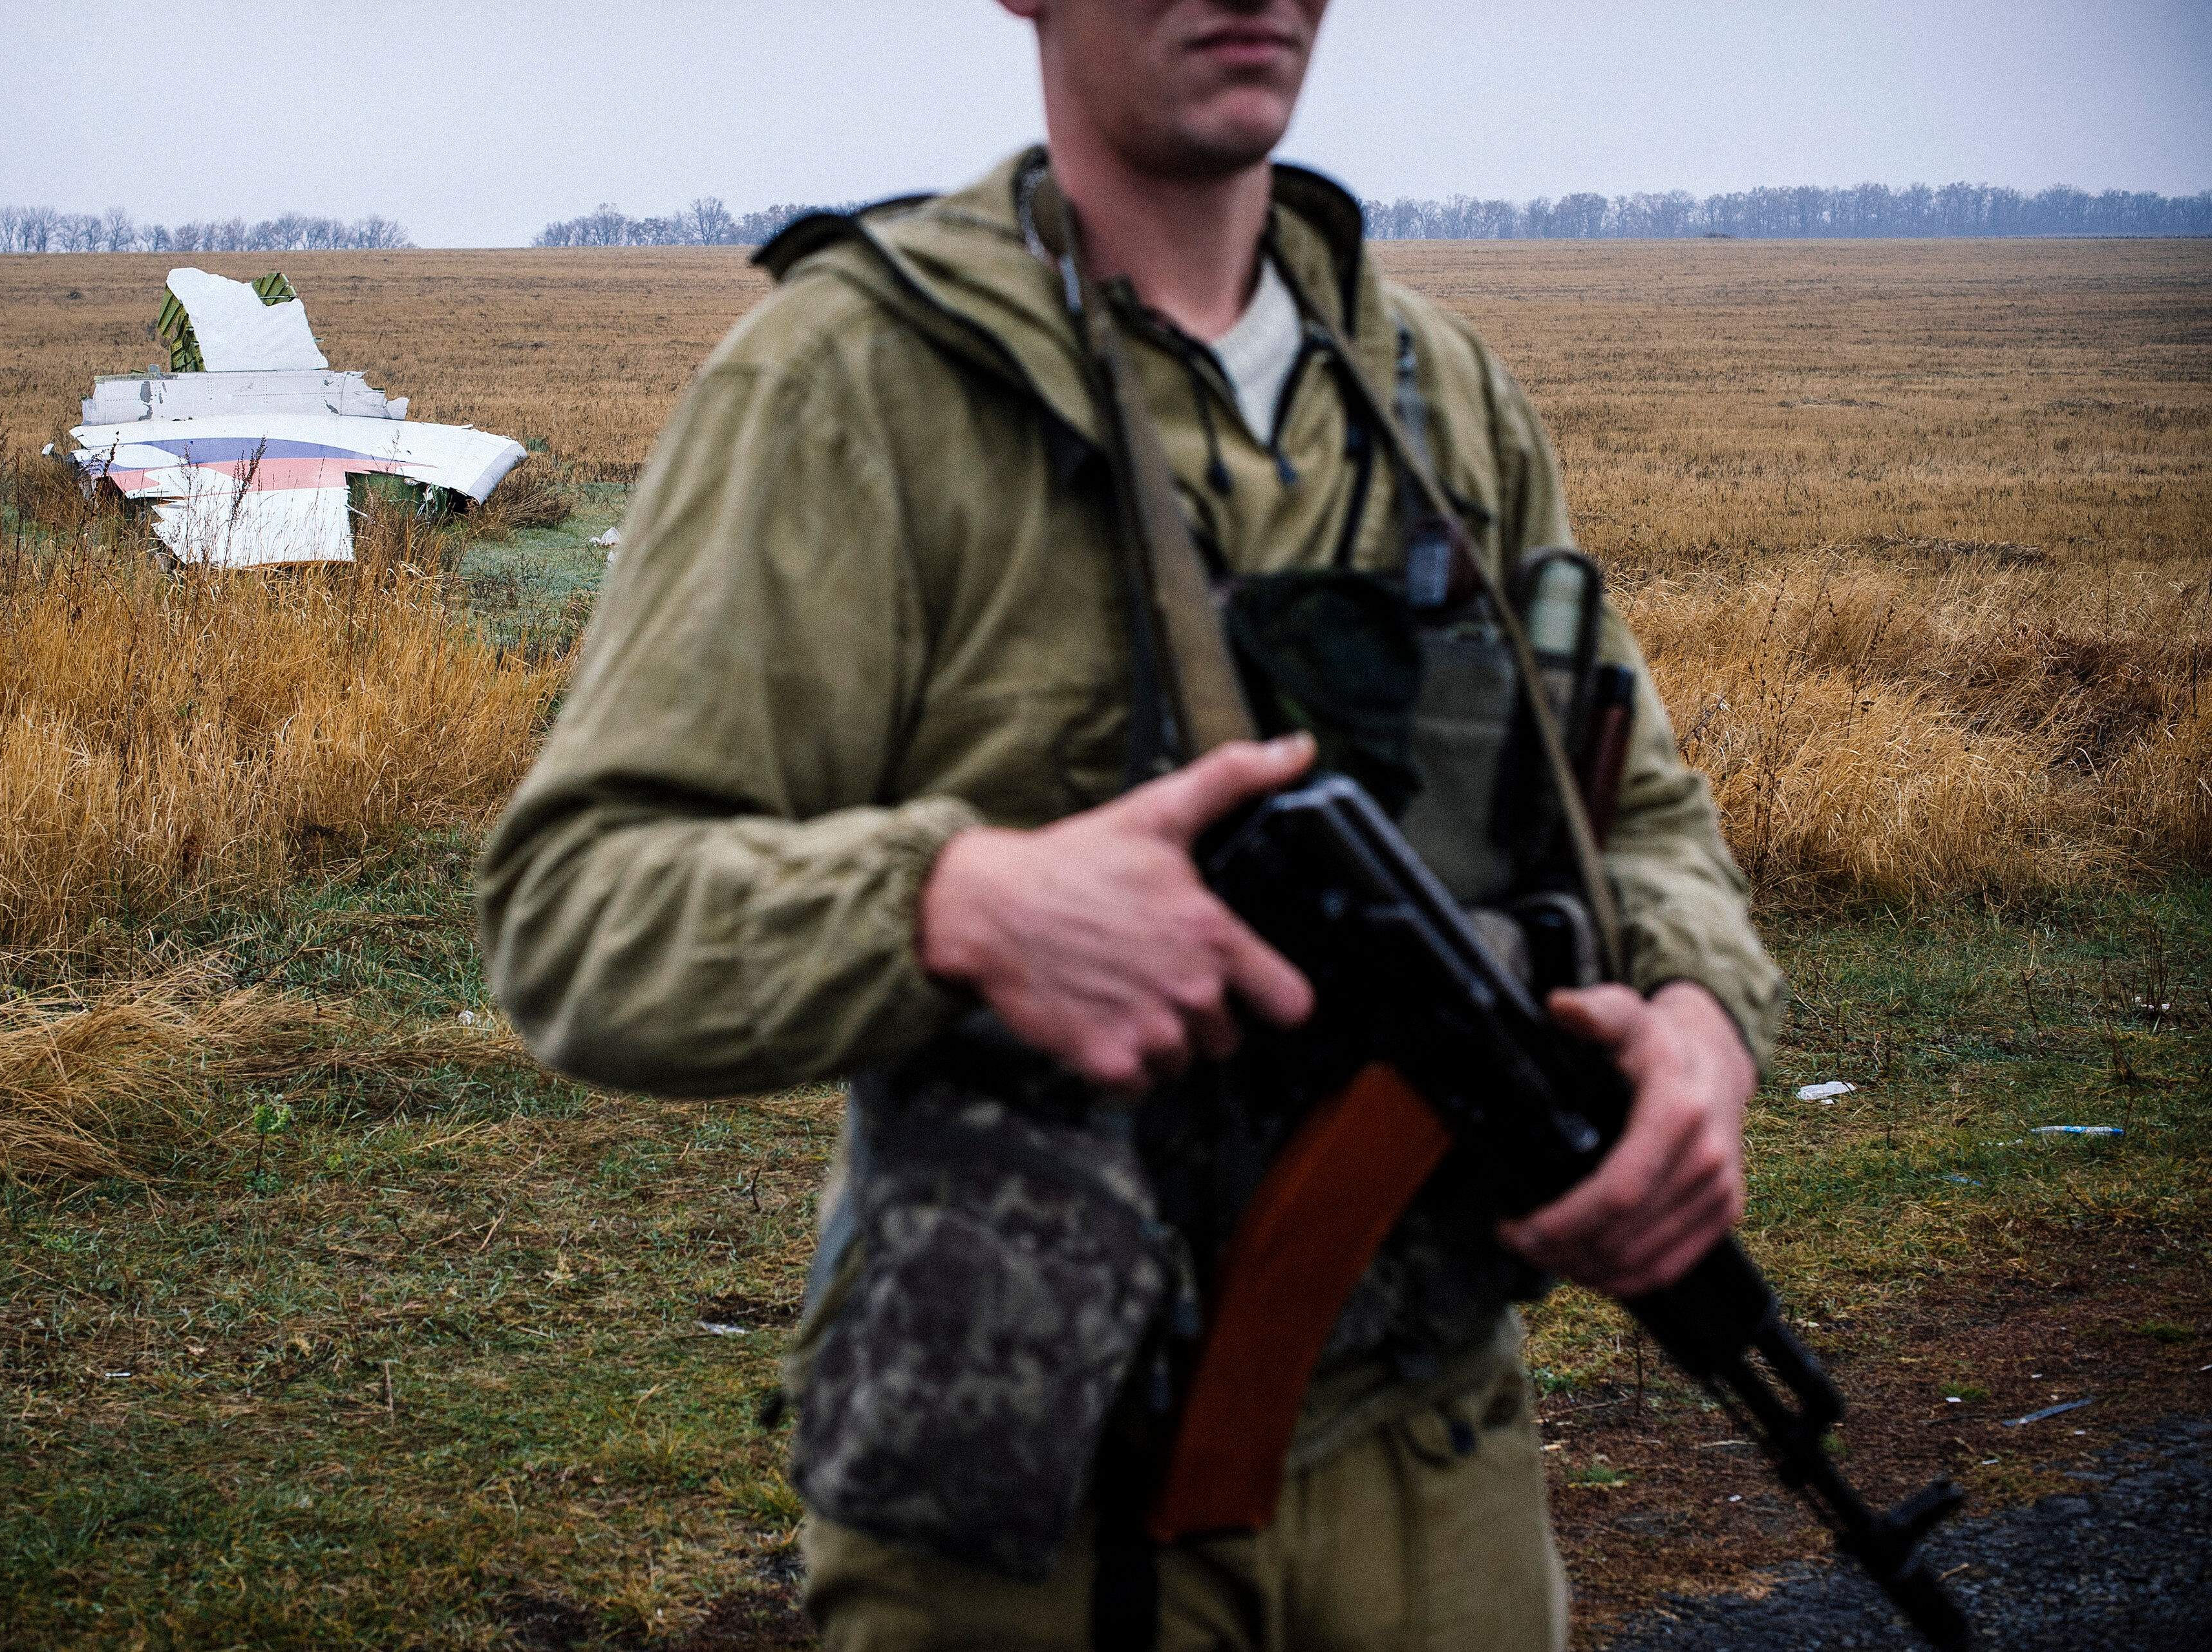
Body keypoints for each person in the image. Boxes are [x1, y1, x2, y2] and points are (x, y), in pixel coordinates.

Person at [478, 2, 1784, 1646]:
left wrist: (1699, 1022)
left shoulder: (1441, 396)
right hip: (1031, 1502)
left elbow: (1639, 814)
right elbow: (576, 909)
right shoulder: (852, 383)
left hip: (1441, 1460)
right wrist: (952, 904)